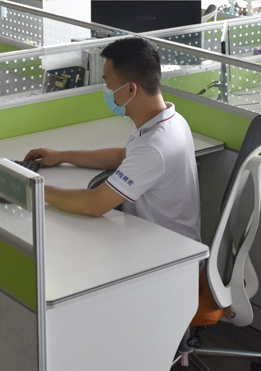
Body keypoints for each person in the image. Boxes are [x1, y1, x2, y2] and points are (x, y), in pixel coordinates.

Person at [24, 36, 201, 241]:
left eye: (108, 84)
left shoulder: (155, 145)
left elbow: (94, 204)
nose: (107, 91)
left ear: (131, 89)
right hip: (166, 240)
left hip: (168, 253)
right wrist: (61, 156)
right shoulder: (169, 120)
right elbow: (122, 157)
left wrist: (33, 189)